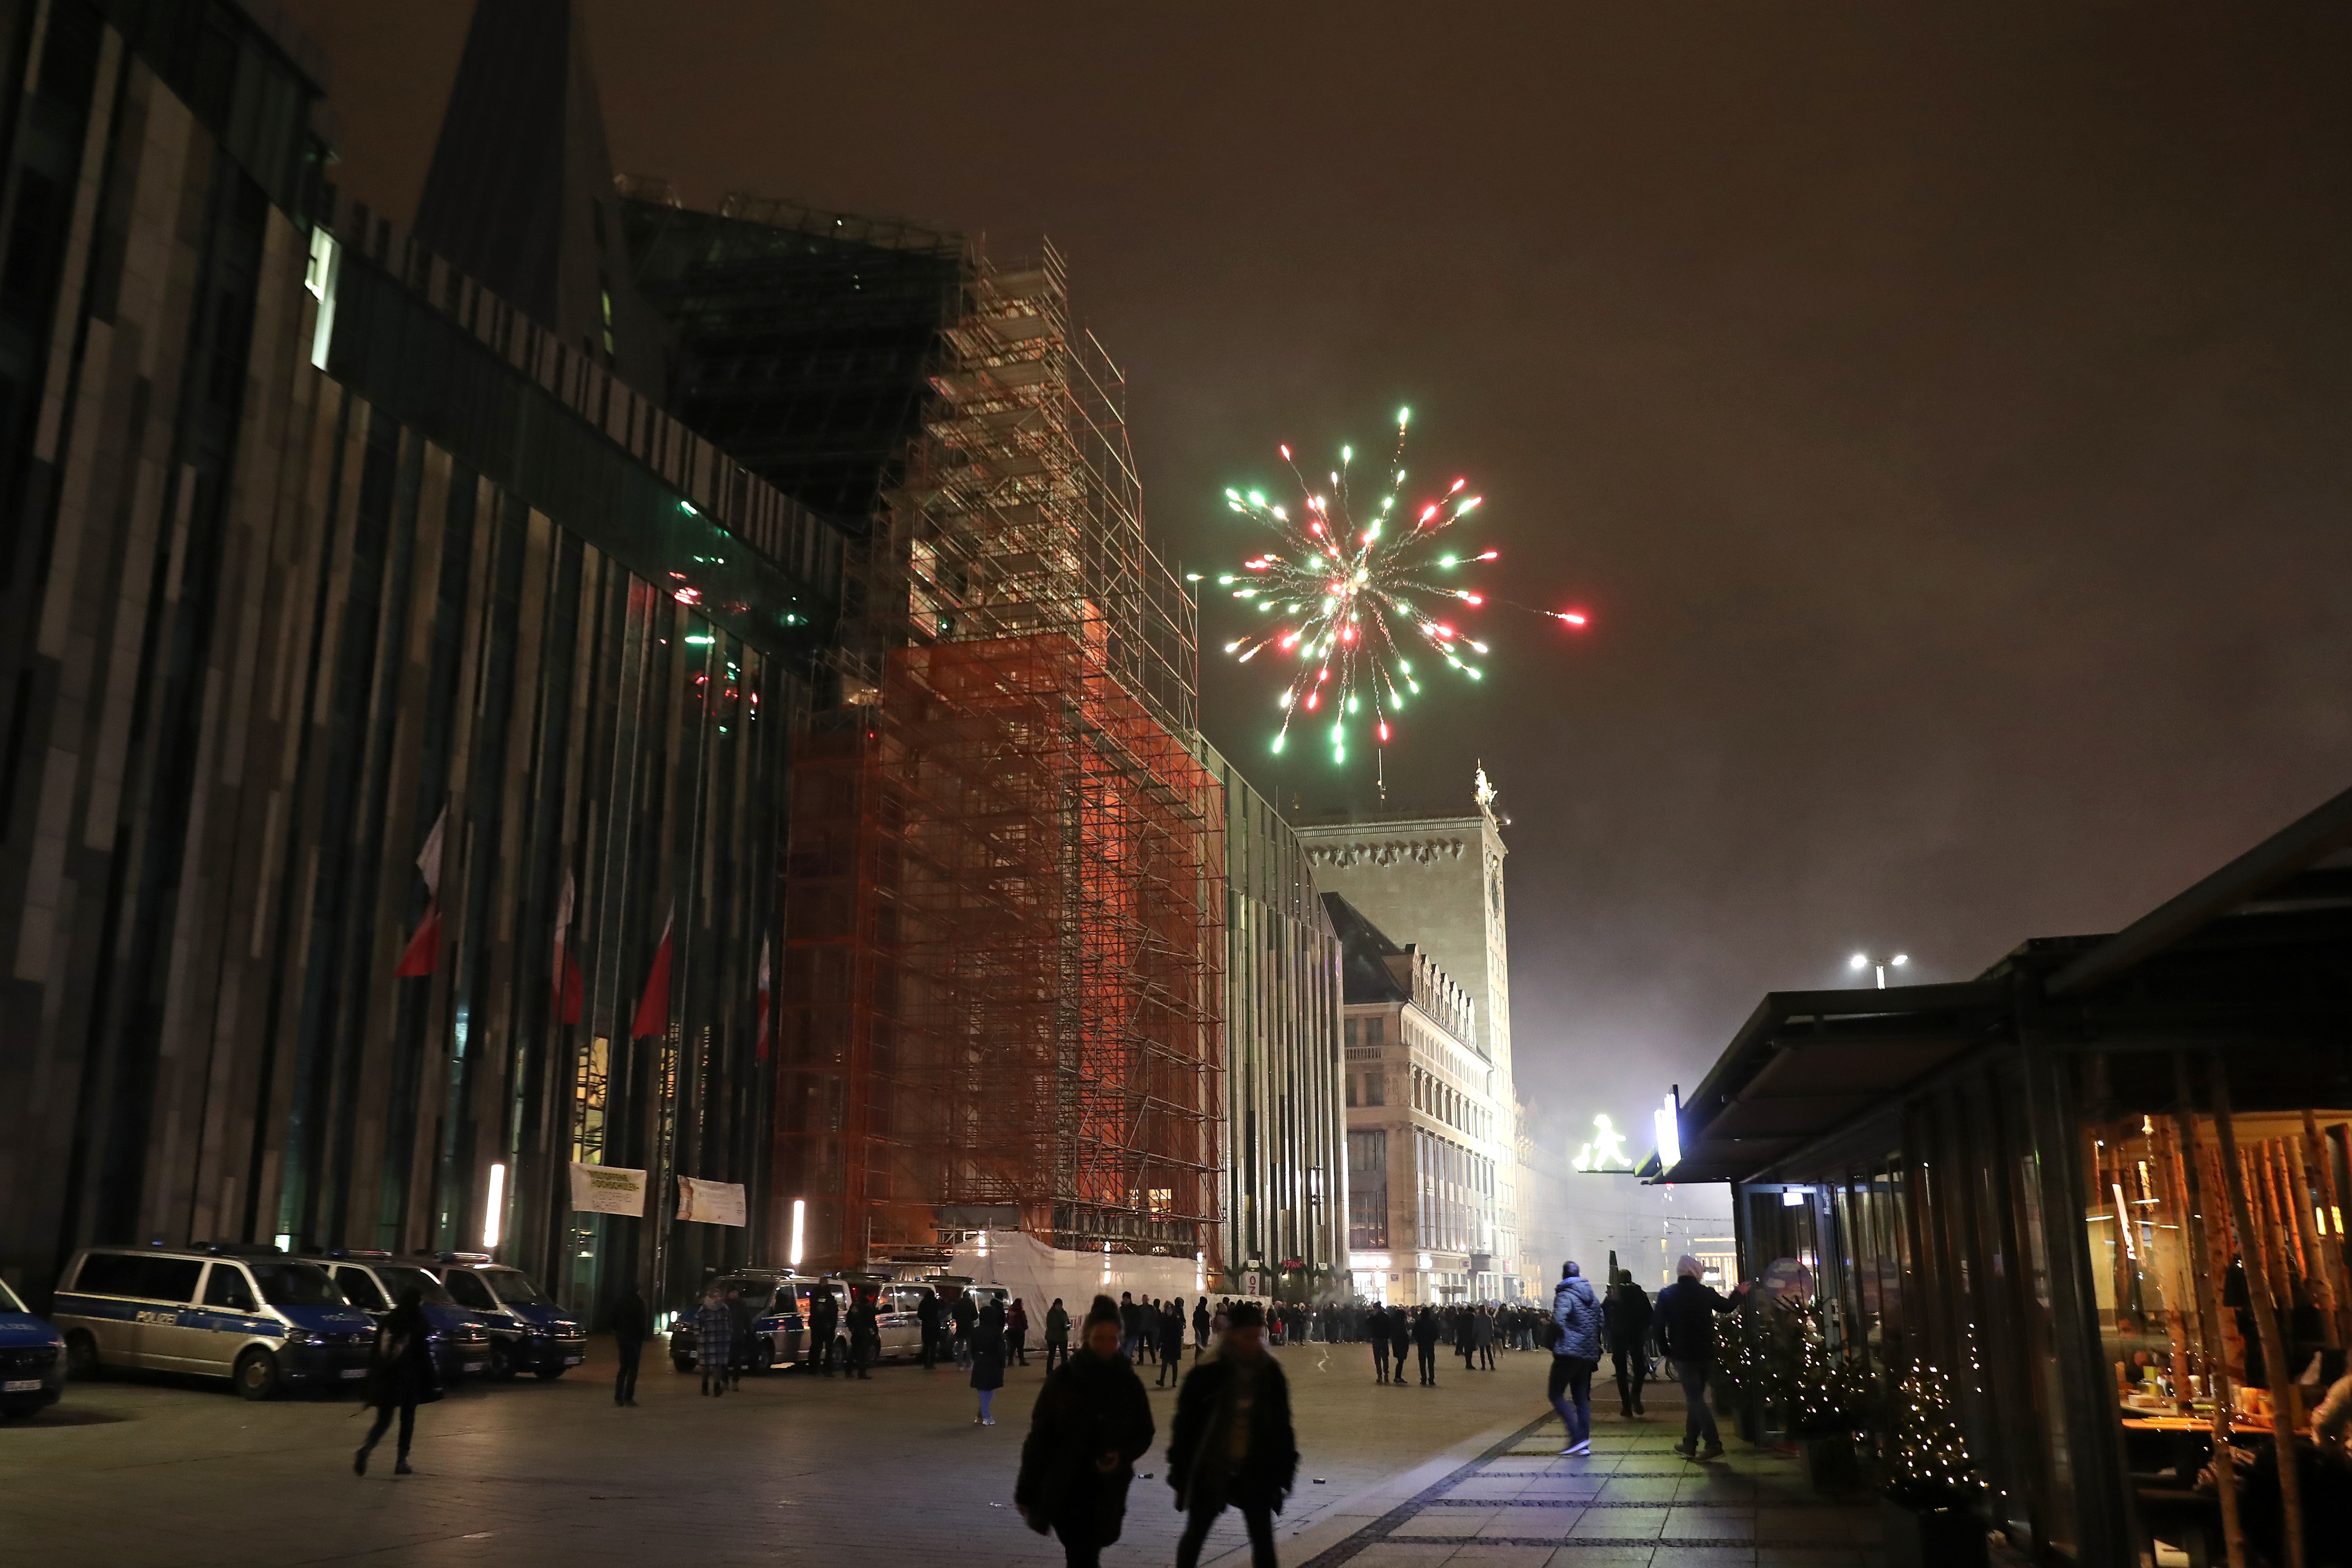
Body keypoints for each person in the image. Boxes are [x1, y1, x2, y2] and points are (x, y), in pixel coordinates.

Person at [1016, 1295, 1155, 1568]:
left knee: (1085, 1555)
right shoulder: (1064, 1379)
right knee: (1082, 1554)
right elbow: (1040, 1436)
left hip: (1108, 1488)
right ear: (1087, 1337)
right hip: (1069, 1485)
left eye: (1112, 1339)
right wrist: (1026, 1490)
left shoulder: (1129, 1383)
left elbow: (1145, 1431)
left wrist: (1122, 1456)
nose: (1107, 1345)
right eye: (1100, 1338)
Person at [1169, 1301, 1297, 1568]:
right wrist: (1180, 1470)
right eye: (1247, 1337)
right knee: (1195, 1536)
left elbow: (1282, 1427)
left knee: (1263, 1542)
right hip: (1213, 1466)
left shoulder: (1270, 1372)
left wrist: (1285, 1471)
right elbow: (1185, 1426)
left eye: (1257, 1336)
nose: (1253, 1343)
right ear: (1232, 1334)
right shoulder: (1208, 1371)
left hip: (1255, 1467)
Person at [1657, 1255, 1740, 1460]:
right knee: (1697, 1399)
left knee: (1695, 1400)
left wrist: (1666, 1351)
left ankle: (1713, 1444)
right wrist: (1739, 1294)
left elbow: (1657, 1326)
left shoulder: (1667, 1295)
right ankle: (1690, 1443)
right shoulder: (1705, 1293)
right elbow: (1727, 1307)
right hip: (1706, 1354)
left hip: (1683, 1355)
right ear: (1696, 1272)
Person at [353, 1286, 440, 1476]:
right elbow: (423, 1355)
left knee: (384, 1419)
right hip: (409, 1379)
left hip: (386, 1378)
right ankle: (401, 1461)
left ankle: (367, 1448)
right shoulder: (418, 1321)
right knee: (407, 1419)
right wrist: (433, 1380)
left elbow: (376, 1352)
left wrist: (371, 1378)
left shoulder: (389, 1320)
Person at [1549, 1262, 1605, 1455]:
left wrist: (1553, 1339)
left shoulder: (1566, 1295)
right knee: (1581, 1398)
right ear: (1579, 1274)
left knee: (1555, 1394)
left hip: (1568, 1353)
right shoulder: (1594, 1298)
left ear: (1564, 1276)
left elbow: (1558, 1320)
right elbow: (1601, 1322)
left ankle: (1577, 1437)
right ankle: (1584, 1445)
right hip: (1588, 1355)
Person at [1605, 1272, 1654, 1418]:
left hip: (1618, 1336)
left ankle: (1626, 1407)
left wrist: (1610, 1329)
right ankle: (1636, 1395)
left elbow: (1605, 1313)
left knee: (1621, 1372)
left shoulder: (1614, 1295)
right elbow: (1649, 1315)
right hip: (1636, 1335)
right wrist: (1643, 1329)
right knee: (1640, 1369)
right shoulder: (1640, 1294)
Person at [972, 1294, 1008, 1424]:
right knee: (989, 1390)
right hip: (993, 1362)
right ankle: (986, 1416)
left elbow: (972, 1348)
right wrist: (1003, 1363)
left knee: (983, 1389)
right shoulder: (996, 1332)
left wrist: (975, 1358)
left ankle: (982, 1414)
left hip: (981, 1361)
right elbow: (1001, 1349)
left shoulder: (977, 1331)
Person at [610, 1285, 648, 1407]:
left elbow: (613, 1320)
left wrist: (618, 1333)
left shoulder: (620, 1302)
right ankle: (628, 1397)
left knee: (623, 1368)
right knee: (633, 1369)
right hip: (635, 1340)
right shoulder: (639, 1303)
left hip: (622, 1339)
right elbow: (642, 1322)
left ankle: (618, 1397)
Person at [697, 1286, 735, 1396]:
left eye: (720, 1296)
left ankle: (716, 1387)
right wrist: (699, 1336)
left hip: (720, 1341)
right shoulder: (704, 1309)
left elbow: (730, 1322)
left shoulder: (724, 1309)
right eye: (717, 1296)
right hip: (707, 1340)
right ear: (711, 1297)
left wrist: (728, 1334)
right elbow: (698, 1324)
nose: (719, 1298)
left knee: (718, 1365)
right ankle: (705, 1386)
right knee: (706, 1366)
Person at [727, 1283, 756, 1389]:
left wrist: (749, 1332)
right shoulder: (724, 1305)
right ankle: (725, 1381)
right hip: (726, 1337)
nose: (734, 1295)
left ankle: (735, 1381)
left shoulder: (741, 1304)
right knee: (725, 1360)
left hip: (738, 1336)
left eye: (735, 1293)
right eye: (732, 1293)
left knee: (737, 1360)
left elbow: (747, 1319)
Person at [848, 1289, 880, 1380]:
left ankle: (848, 1371)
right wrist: (875, 1332)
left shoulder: (855, 1304)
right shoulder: (867, 1305)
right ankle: (862, 1373)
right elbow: (871, 1321)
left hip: (856, 1332)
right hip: (864, 1332)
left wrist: (852, 1328)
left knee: (853, 1351)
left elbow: (849, 1318)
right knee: (864, 1353)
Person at [809, 1284, 840, 1376]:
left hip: (816, 1327)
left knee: (816, 1349)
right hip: (827, 1328)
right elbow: (834, 1315)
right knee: (829, 1350)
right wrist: (832, 1326)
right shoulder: (831, 1300)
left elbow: (813, 1312)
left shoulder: (815, 1299)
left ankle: (814, 1369)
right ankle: (828, 1370)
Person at [1158, 1297, 1186, 1387]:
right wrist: (1158, 1344)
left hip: (1174, 1346)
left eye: (1170, 1310)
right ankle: (1162, 1381)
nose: (1169, 1311)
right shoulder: (1164, 1319)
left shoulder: (1176, 1320)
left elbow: (1178, 1334)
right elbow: (1161, 1333)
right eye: (1168, 1310)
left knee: (1174, 1364)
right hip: (1166, 1345)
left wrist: (1178, 1346)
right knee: (1165, 1364)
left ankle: (1174, 1382)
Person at [952, 1288, 979, 1371]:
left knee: (960, 1348)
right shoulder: (971, 1304)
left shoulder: (958, 1304)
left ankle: (960, 1365)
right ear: (969, 1296)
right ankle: (969, 1365)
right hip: (969, 1328)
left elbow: (954, 1316)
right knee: (969, 1347)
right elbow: (975, 1317)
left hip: (960, 1328)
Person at [1412, 1305, 1440, 1385]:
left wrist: (1418, 1340)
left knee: (1422, 1362)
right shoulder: (1432, 1322)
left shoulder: (1419, 1322)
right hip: (1430, 1344)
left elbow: (1415, 1333)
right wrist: (1432, 1340)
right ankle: (1431, 1379)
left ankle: (1423, 1378)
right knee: (1431, 1362)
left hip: (1421, 1344)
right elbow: (1436, 1333)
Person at [919, 1287, 944, 1369]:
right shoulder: (936, 1303)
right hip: (935, 1327)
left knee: (926, 1346)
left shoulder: (923, 1303)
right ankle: (932, 1364)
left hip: (926, 1327)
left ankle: (926, 1364)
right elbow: (942, 1309)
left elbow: (920, 1315)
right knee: (933, 1347)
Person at [1389, 1304, 1414, 1387]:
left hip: (1396, 1344)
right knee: (1401, 1361)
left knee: (1400, 1361)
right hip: (1401, 1344)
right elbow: (1404, 1335)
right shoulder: (1401, 1325)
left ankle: (1398, 1376)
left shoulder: (1394, 1323)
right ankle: (1398, 1377)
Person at [1044, 1297, 1072, 1372]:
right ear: (1055, 1305)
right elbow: (1050, 1325)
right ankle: (1049, 1371)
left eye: (1061, 1305)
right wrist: (1062, 1325)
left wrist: (1068, 1326)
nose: (1059, 1307)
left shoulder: (1064, 1313)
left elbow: (1069, 1323)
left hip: (1063, 1337)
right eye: (1058, 1305)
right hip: (1052, 1337)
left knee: (1064, 1356)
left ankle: (1065, 1371)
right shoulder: (1051, 1314)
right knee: (1052, 1355)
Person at [1368, 1302, 1393, 1383]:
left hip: (1376, 1339)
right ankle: (1386, 1374)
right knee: (1385, 1358)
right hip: (1384, 1339)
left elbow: (1367, 1324)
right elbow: (1390, 1327)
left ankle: (1380, 1375)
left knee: (1378, 1358)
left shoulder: (1374, 1317)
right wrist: (1387, 1336)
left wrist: (1372, 1316)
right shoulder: (1386, 1316)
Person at [1119, 1292, 1142, 1360]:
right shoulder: (1120, 1310)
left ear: (1130, 1299)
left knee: (1128, 1353)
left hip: (1133, 1334)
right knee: (1123, 1353)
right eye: (1124, 1298)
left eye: (1127, 1298)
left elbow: (1138, 1321)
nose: (1125, 1300)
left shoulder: (1135, 1309)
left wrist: (1137, 1330)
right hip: (1123, 1335)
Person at [1009, 1297, 1031, 1367]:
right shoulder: (1020, 1312)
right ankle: (1022, 1361)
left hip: (1012, 1330)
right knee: (1020, 1347)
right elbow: (1023, 1321)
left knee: (1012, 1346)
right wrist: (1025, 1327)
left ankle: (1010, 1361)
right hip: (1019, 1330)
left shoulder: (1011, 1311)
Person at [1192, 1295, 1211, 1359]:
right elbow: (1207, 1325)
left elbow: (1194, 1323)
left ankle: (1198, 1362)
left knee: (1199, 1349)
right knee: (1203, 1349)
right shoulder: (1206, 1314)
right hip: (1203, 1333)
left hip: (1200, 1332)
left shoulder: (1197, 1313)